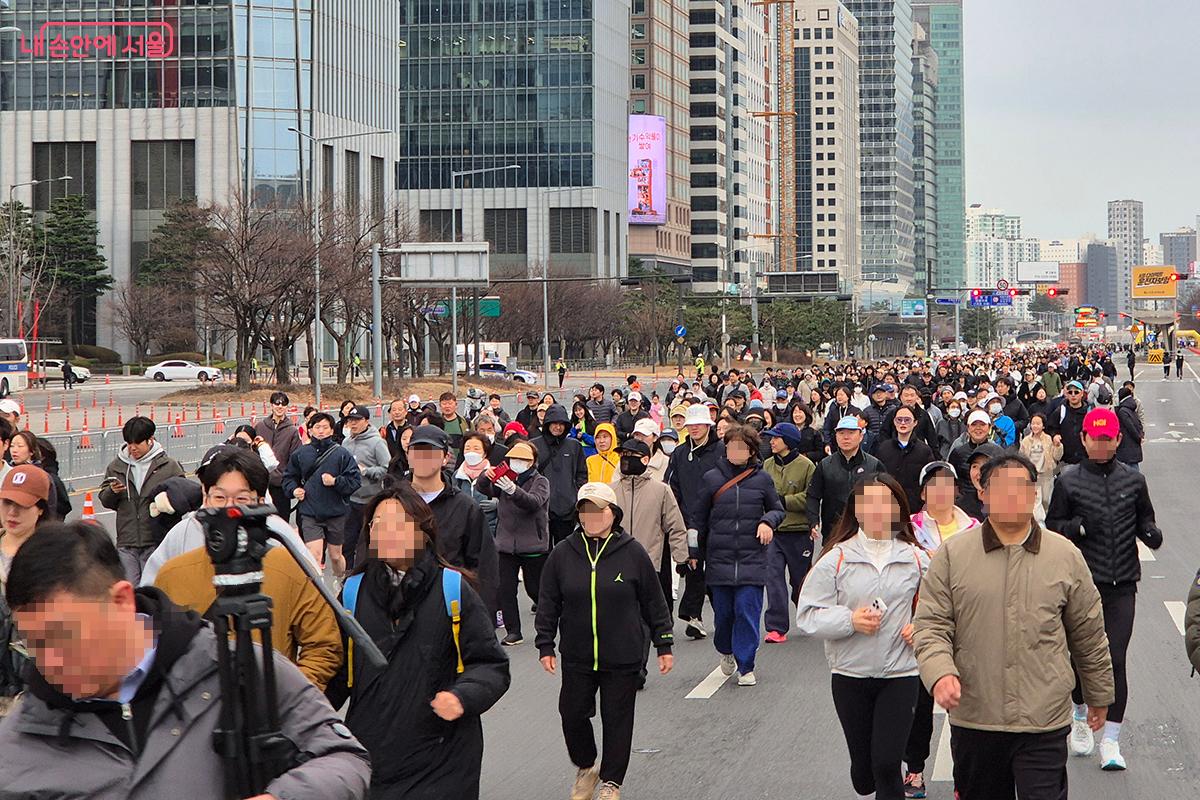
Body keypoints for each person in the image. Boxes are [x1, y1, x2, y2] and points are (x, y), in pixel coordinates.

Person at [0, 521, 371, 799]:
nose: (49, 662)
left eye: (64, 636)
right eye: (33, 644)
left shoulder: (233, 669)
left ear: (121, 601)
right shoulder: (18, 741)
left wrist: (282, 797)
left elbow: (343, 758)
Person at [913, 452, 1115, 800]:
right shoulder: (953, 555)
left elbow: (1089, 634)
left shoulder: (1064, 555)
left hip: (1043, 717)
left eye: (1021, 487)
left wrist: (1099, 694)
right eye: (1000, 487)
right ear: (983, 493)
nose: (1011, 496)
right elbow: (931, 625)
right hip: (976, 716)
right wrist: (940, 672)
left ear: (1034, 493)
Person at [326, 483, 510, 800]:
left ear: (422, 532)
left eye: (400, 524)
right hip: (373, 756)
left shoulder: (452, 588)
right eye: (379, 524)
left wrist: (463, 696)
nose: (388, 532)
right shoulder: (353, 594)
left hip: (444, 756)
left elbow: (491, 665)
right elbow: (336, 673)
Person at [151, 448, 342, 690]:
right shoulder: (173, 573)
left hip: (270, 710)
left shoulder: (287, 566)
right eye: (219, 498)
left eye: (242, 499)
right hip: (195, 719)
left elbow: (324, 645)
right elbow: (150, 650)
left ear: (261, 503)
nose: (229, 510)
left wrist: (289, 700)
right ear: (204, 497)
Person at [535, 482, 674, 800]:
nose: (592, 516)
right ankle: (586, 767)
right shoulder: (563, 554)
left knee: (618, 720)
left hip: (622, 654)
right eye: (585, 510)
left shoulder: (633, 552)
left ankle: (611, 782)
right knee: (571, 713)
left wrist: (663, 643)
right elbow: (548, 602)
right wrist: (545, 643)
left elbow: (654, 601)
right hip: (577, 653)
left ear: (614, 514)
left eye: (599, 510)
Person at [797, 475, 929, 800]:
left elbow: (945, 607)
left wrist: (924, 626)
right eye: (869, 503)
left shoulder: (916, 558)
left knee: (886, 765)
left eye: (886, 502)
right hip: (850, 676)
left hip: (901, 674)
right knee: (865, 774)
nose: (878, 510)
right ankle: (863, 772)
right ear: (856, 511)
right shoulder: (836, 559)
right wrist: (850, 620)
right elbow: (808, 615)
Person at [1045, 407, 1162, 770]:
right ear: (1083, 439)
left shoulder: (1133, 481)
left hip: (1122, 583)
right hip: (1082, 586)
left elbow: (1147, 519)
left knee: (1115, 661)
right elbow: (1052, 527)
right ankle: (1079, 716)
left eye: (1106, 439)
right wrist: (1078, 528)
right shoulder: (1068, 481)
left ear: (1117, 440)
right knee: (1080, 660)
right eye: (1094, 439)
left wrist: (1151, 534)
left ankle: (1111, 740)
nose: (1100, 444)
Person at [903, 462, 980, 796]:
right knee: (918, 705)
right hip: (922, 625)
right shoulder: (907, 529)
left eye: (947, 485)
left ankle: (964, 778)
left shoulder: (975, 529)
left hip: (966, 627)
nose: (941, 491)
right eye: (933, 485)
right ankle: (915, 769)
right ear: (922, 493)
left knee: (966, 707)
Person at [693, 424, 784, 686]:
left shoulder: (762, 479)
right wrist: (693, 552)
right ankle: (726, 650)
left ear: (752, 451)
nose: (736, 451)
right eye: (731, 446)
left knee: (746, 611)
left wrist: (767, 521)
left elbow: (777, 509)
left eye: (742, 447)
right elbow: (697, 518)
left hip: (752, 558)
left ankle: (746, 666)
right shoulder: (711, 478)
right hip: (719, 558)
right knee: (723, 615)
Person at [399, 425, 500, 614]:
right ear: (407, 455)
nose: (422, 458)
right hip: (400, 606)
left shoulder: (465, 508)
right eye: (416, 451)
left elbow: (484, 567)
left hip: (450, 607)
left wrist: (482, 618)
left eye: (431, 452)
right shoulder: (391, 503)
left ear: (446, 458)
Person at [477, 440, 550, 646]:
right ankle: (513, 631)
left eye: (523, 460)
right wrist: (486, 476)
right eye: (514, 459)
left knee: (535, 589)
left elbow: (533, 503)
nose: (518, 462)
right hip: (506, 544)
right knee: (505, 589)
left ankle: (546, 627)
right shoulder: (505, 478)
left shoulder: (540, 481)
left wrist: (513, 490)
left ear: (533, 462)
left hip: (533, 545)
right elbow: (486, 489)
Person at [609, 437, 687, 629]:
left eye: (630, 455)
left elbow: (675, 526)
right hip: (617, 559)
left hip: (652, 559)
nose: (625, 459)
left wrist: (681, 557)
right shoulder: (611, 491)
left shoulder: (661, 490)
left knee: (655, 605)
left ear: (645, 459)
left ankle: (661, 630)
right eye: (623, 455)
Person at [98, 416, 186, 585]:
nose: (133, 448)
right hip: (127, 541)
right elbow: (105, 500)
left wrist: (167, 502)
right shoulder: (116, 467)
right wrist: (112, 492)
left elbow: (184, 499)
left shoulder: (168, 467)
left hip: (155, 540)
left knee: (152, 588)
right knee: (129, 590)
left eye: (138, 443)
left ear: (150, 440)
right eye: (129, 443)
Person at [668, 403, 726, 640]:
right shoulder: (680, 453)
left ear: (708, 425)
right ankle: (693, 616)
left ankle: (723, 615)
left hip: (717, 522)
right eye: (691, 425)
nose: (694, 428)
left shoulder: (722, 451)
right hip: (689, 522)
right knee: (693, 567)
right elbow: (672, 487)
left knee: (715, 571)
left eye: (698, 424)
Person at [282, 411, 362, 578]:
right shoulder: (300, 454)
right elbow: (288, 478)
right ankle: (316, 591)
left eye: (325, 427)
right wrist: (294, 490)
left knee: (335, 556)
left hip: (336, 513)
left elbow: (355, 481)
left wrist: (335, 481)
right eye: (317, 427)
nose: (321, 431)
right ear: (310, 430)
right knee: (314, 555)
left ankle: (341, 581)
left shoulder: (341, 454)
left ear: (332, 431)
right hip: (310, 512)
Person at [0, 465, 52, 715]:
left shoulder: (56, 557)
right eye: (6, 502)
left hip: (34, 691)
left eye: (22, 505)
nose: (12, 512)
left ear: (40, 508)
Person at [759, 422, 816, 644]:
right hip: (773, 531)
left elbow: (810, 497)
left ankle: (808, 614)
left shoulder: (807, 465)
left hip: (799, 530)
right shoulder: (766, 465)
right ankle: (776, 627)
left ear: (788, 442)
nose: (771, 441)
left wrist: (782, 501)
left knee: (800, 580)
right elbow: (760, 492)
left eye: (775, 438)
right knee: (772, 578)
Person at [806, 416, 883, 538]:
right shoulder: (825, 465)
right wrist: (813, 521)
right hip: (833, 531)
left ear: (861, 436)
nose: (846, 437)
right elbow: (813, 495)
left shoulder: (874, 465)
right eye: (841, 433)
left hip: (866, 533)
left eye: (851, 433)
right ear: (836, 436)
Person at [532, 404, 590, 546]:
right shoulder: (534, 445)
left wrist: (575, 494)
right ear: (547, 424)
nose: (558, 427)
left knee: (565, 550)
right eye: (554, 423)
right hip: (541, 508)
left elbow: (582, 473)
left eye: (561, 424)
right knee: (542, 551)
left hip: (567, 510)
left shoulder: (574, 446)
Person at [875, 405, 935, 513]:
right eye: (899, 420)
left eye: (907, 420)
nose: (903, 423)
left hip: (915, 509)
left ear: (915, 422)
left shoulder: (924, 451)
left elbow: (930, 481)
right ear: (894, 422)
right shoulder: (883, 448)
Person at [254, 391, 303, 522]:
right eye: (277, 403)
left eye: (284, 404)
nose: (280, 407)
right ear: (271, 405)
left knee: (281, 522)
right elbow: (253, 452)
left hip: (281, 484)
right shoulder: (260, 426)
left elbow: (295, 458)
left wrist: (290, 480)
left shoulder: (292, 431)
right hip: (261, 483)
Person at [455, 432, 500, 538]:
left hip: (489, 529)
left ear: (485, 453)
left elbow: (508, 498)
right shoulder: (456, 475)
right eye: (467, 448)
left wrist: (498, 503)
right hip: (462, 529)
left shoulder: (494, 473)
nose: (471, 452)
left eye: (476, 448)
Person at [1019, 413, 1062, 522]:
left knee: (1046, 500)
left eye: (1038, 423)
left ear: (1043, 426)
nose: (1035, 426)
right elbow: (1021, 458)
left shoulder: (1048, 439)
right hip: (1032, 476)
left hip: (1047, 474)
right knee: (1033, 503)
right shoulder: (1025, 441)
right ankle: (1036, 524)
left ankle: (1047, 523)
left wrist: (1058, 446)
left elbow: (1057, 456)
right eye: (1033, 423)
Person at [1046, 379, 1091, 467]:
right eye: (1070, 392)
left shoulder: (1089, 412)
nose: (1073, 395)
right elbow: (1050, 427)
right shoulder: (1061, 410)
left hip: (1085, 459)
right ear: (1066, 394)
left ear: (1082, 393)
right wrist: (1054, 435)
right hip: (1065, 460)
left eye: (1076, 392)